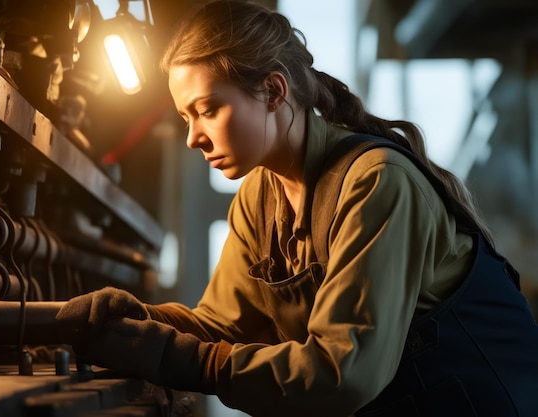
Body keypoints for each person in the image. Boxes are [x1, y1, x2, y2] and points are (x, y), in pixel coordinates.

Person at [55, 1, 538, 416]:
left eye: (207, 109)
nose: (192, 137)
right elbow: (225, 326)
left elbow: (343, 372)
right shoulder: (259, 197)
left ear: (273, 91)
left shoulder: (375, 183)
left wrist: (174, 357)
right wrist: (143, 319)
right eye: (185, 117)